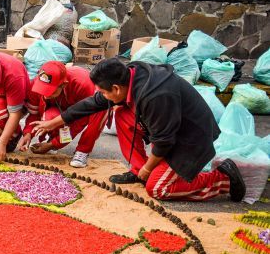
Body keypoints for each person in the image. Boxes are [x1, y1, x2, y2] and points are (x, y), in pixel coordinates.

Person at [30, 58, 245, 202]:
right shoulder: (129, 78)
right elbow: (91, 103)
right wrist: (54, 123)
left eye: (104, 93)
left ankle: (222, 178)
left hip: (190, 139)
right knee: (123, 115)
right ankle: (137, 170)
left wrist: (148, 168)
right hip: (169, 130)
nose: (102, 97)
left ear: (115, 88)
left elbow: (164, 142)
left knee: (158, 189)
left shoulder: (155, 96)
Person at [19, 61, 106, 168]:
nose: (45, 96)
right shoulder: (36, 84)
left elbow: (78, 124)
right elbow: (34, 114)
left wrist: (54, 144)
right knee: (50, 117)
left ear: (64, 85)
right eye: (43, 90)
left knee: (99, 114)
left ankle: (83, 151)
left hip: (91, 105)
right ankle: (52, 138)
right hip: (63, 105)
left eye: (50, 92)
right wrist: (28, 133)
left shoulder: (83, 85)